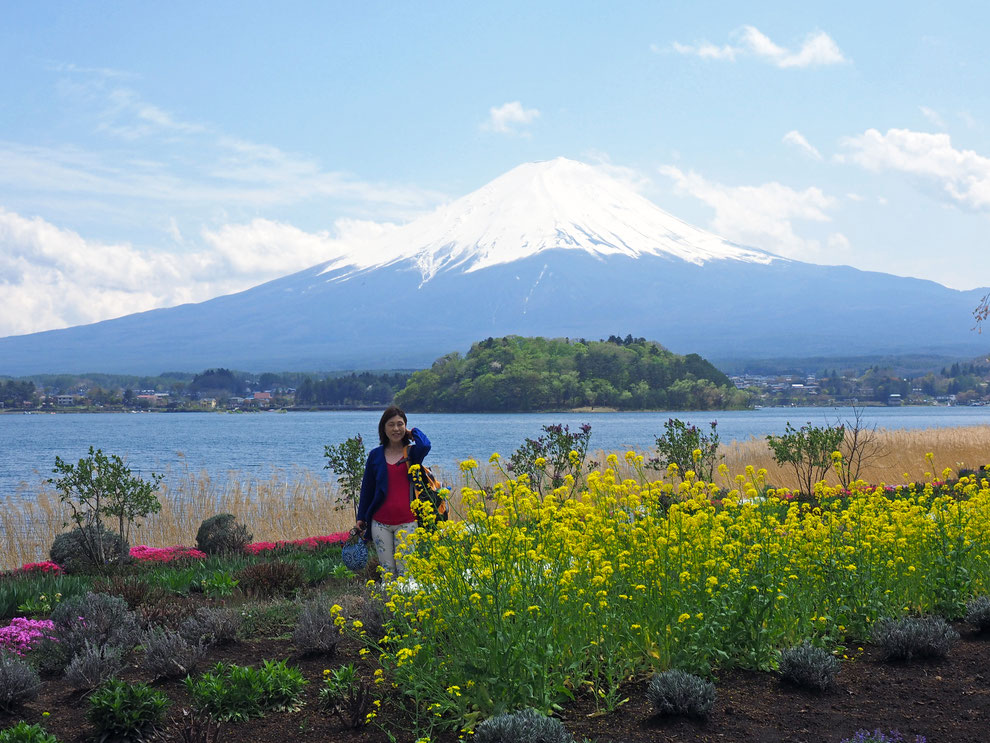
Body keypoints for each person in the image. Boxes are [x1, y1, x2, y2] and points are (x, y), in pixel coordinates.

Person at [355, 406, 430, 577]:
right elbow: (367, 488)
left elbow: (425, 445)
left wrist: (413, 433)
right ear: (383, 428)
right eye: (391, 425)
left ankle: (409, 604)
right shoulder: (375, 455)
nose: (396, 429)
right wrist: (361, 517)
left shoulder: (412, 453)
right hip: (380, 523)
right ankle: (387, 604)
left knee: (407, 573)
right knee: (387, 574)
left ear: (405, 427)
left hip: (408, 522)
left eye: (400, 424)